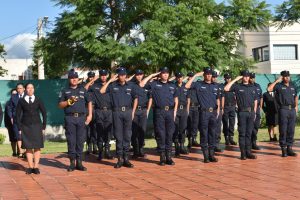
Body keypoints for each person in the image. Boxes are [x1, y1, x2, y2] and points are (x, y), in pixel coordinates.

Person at [100, 67, 138, 168]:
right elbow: (102, 91)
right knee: (118, 136)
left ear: (126, 75)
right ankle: (120, 159)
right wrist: (110, 80)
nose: (122, 76)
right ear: (118, 75)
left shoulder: (131, 86)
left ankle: (126, 159)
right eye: (120, 75)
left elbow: (136, 99)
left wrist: (133, 112)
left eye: (124, 75)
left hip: (128, 112)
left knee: (127, 135)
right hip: (116, 112)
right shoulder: (112, 86)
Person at [58, 70, 93, 172]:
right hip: (70, 118)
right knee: (71, 140)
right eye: (72, 78)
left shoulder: (83, 90)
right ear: (69, 79)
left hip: (81, 118)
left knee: (80, 140)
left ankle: (80, 163)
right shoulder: (65, 91)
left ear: (78, 79)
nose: (74, 79)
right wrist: (68, 102)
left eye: (76, 78)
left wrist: (90, 115)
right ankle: (72, 163)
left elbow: (89, 101)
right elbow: (60, 105)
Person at [185, 67, 220, 163]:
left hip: (213, 112)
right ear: (204, 75)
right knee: (204, 134)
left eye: (210, 74)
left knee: (212, 134)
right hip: (203, 113)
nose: (209, 75)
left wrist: (218, 111)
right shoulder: (198, 84)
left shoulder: (215, 86)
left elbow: (218, 99)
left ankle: (212, 155)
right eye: (207, 74)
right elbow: (187, 86)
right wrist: (196, 75)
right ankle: (205, 156)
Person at [148, 67, 178, 166]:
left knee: (169, 134)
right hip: (159, 111)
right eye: (163, 73)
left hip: (170, 111)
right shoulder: (154, 84)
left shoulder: (172, 85)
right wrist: (154, 75)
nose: (165, 75)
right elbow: (143, 83)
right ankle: (162, 157)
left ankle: (169, 157)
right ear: (160, 74)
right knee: (161, 134)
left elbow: (176, 99)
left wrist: (174, 112)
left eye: (167, 73)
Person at [224, 70, 257, 160]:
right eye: (244, 76)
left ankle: (248, 152)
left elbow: (255, 100)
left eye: (247, 76)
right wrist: (235, 79)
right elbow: (226, 88)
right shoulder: (237, 86)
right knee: (242, 133)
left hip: (251, 113)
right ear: (242, 77)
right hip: (242, 113)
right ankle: (243, 153)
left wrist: (254, 112)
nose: (246, 77)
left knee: (249, 133)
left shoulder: (253, 87)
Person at [16, 83, 47, 174]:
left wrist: (43, 126)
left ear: (34, 89)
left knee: (37, 147)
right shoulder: (21, 101)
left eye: (32, 88)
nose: (30, 89)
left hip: (37, 126)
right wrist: (19, 127)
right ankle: (30, 167)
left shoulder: (38, 99)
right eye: (28, 88)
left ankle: (36, 167)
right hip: (25, 126)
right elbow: (17, 115)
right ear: (25, 90)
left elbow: (44, 113)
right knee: (28, 147)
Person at [267, 70, 298, 157]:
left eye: (288, 76)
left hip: (292, 110)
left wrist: (296, 107)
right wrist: (277, 80)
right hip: (283, 110)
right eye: (285, 76)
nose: (287, 77)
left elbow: (296, 96)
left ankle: (289, 148)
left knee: (291, 130)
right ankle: (283, 149)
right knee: (283, 130)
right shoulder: (278, 86)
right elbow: (269, 89)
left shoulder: (293, 86)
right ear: (282, 77)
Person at [92, 69, 114, 160]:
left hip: (109, 111)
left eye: (105, 75)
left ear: (107, 76)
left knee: (108, 132)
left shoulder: (111, 86)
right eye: (102, 75)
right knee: (100, 132)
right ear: (99, 76)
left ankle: (107, 151)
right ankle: (100, 152)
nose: (103, 77)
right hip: (99, 111)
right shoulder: (95, 86)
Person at [131, 69, 151, 159]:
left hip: (143, 110)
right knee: (134, 131)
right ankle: (135, 150)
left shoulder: (147, 86)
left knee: (142, 130)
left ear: (143, 75)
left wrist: (148, 110)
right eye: (137, 75)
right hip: (135, 111)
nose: (139, 76)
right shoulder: (132, 85)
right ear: (135, 76)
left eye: (140, 75)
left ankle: (141, 150)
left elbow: (150, 98)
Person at [173, 72, 190, 156]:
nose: (179, 78)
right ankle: (176, 146)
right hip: (176, 110)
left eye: (181, 77)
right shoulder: (173, 86)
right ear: (176, 78)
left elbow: (188, 99)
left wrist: (187, 110)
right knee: (175, 128)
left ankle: (182, 146)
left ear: (183, 78)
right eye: (178, 77)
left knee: (183, 129)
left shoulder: (185, 86)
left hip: (183, 110)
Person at [7, 83, 25, 158]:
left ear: (24, 88)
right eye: (18, 88)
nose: (19, 90)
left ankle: (25, 152)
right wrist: (11, 116)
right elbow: (9, 108)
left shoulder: (28, 96)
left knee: (25, 136)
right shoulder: (13, 97)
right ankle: (21, 152)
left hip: (26, 119)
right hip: (15, 119)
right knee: (18, 136)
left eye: (21, 88)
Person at [221, 73, 237, 146]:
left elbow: (236, 96)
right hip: (225, 107)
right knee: (225, 123)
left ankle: (231, 138)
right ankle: (226, 138)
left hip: (232, 106)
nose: (228, 79)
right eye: (227, 78)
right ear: (224, 79)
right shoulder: (222, 86)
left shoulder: (234, 86)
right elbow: (222, 98)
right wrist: (222, 108)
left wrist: (236, 105)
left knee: (232, 123)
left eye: (229, 78)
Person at [84, 71, 98, 155]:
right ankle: (89, 147)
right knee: (88, 130)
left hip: (95, 109)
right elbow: (84, 88)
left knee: (95, 129)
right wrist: (90, 82)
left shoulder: (97, 85)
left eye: (93, 77)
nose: (91, 78)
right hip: (87, 109)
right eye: (90, 77)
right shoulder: (85, 85)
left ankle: (95, 147)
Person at [186, 72, 200, 149]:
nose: (190, 77)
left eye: (192, 76)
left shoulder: (196, 85)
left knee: (195, 124)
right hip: (189, 107)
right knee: (189, 124)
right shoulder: (186, 85)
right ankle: (189, 140)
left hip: (196, 107)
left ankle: (194, 139)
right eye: (189, 76)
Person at [250, 73, 263, 150]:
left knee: (256, 126)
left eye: (253, 78)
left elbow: (261, 97)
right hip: (249, 109)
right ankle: (249, 143)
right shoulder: (246, 86)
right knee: (249, 126)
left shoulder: (257, 86)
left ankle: (254, 142)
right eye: (251, 78)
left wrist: (260, 107)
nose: (252, 79)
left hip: (257, 109)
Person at [212, 70, 223, 153]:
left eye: (215, 77)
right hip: (209, 110)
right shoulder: (207, 85)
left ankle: (216, 144)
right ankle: (211, 144)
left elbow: (221, 98)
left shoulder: (219, 86)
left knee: (218, 128)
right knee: (211, 128)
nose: (214, 78)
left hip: (218, 110)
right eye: (213, 76)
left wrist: (221, 109)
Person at [5, 89, 18, 156]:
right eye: (13, 94)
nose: (14, 95)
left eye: (16, 94)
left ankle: (20, 152)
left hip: (18, 124)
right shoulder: (8, 103)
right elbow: (6, 115)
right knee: (12, 139)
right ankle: (14, 152)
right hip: (10, 124)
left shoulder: (20, 102)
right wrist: (6, 124)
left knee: (19, 138)